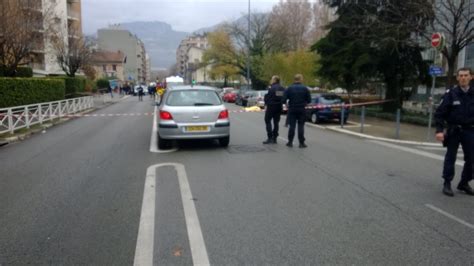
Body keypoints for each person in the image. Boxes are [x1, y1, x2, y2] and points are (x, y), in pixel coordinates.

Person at [434, 67, 474, 197]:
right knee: (451, 157)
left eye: (466, 75)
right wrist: (439, 131)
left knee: (472, 158)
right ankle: (447, 183)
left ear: (471, 77)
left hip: (469, 130)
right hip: (454, 129)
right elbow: (439, 113)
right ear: (457, 78)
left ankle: (464, 182)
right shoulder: (451, 93)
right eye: (460, 75)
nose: (463, 78)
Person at [282, 74, 311, 148]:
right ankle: (301, 143)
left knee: (292, 126)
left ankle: (290, 142)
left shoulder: (289, 88)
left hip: (292, 109)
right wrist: (305, 104)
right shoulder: (305, 88)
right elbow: (309, 100)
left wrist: (286, 105)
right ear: (301, 79)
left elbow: (283, 99)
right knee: (301, 126)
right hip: (301, 109)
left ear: (294, 79)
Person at [263, 75, 285, 144]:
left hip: (271, 106)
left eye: (272, 79)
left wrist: (266, 101)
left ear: (275, 80)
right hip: (278, 107)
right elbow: (280, 97)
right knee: (276, 122)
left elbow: (268, 97)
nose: (271, 80)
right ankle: (275, 138)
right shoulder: (281, 88)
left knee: (267, 120)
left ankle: (270, 137)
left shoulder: (271, 88)